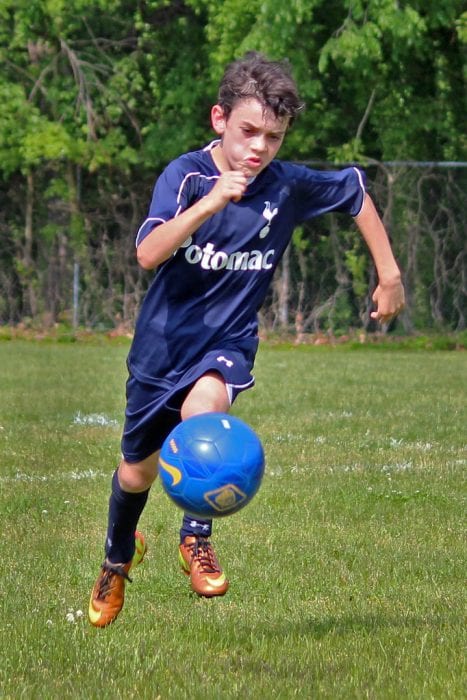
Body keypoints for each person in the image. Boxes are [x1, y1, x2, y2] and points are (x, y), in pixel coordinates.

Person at [88, 51, 405, 627]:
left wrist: (389, 274)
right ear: (219, 120)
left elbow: (355, 191)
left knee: (205, 409)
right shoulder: (186, 176)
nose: (259, 148)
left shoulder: (285, 186)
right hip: (161, 348)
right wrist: (210, 202)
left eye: (274, 137)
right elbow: (147, 252)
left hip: (226, 343)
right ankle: (117, 557)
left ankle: (195, 536)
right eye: (248, 132)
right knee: (135, 472)